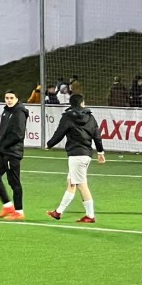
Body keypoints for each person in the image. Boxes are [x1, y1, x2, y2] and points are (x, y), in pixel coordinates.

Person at [45, 94, 106, 223]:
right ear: (82, 103)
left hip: (76, 155)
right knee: (71, 183)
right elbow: (97, 136)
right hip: (86, 154)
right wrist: (100, 152)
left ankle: (90, 215)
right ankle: (58, 212)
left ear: (71, 104)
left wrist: (49, 144)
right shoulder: (90, 117)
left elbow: (59, 133)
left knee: (82, 185)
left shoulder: (67, 117)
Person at [0, 91, 29, 221]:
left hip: (12, 153)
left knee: (14, 182)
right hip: (4, 152)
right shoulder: (6, 111)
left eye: (11, 98)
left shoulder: (19, 112)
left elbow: (18, 134)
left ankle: (19, 211)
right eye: (6, 98)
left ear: (17, 99)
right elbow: (3, 131)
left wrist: (2, 146)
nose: (9, 100)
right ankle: (7, 206)